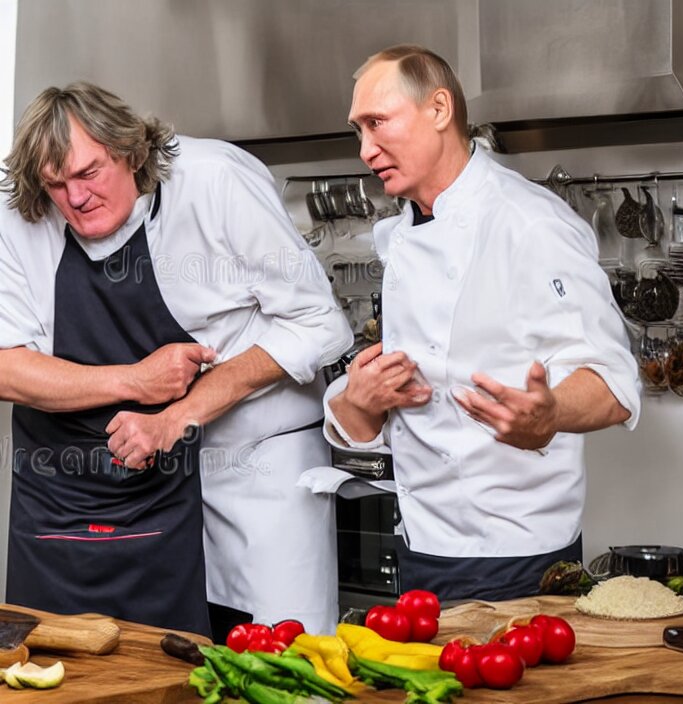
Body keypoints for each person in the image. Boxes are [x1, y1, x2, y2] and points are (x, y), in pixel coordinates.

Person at [0, 82, 353, 637]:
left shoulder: (215, 181)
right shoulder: (26, 215)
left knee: (282, 660)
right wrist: (143, 387)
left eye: (89, 173)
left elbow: (321, 324)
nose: (75, 197)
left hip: (257, 467)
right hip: (157, 488)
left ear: (132, 152)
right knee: (188, 662)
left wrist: (176, 414)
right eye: (56, 185)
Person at [324, 45, 641, 602]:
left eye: (377, 123)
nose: (365, 150)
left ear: (439, 109)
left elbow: (613, 382)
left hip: (513, 551)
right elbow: (402, 403)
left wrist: (549, 415)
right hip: (419, 540)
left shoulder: (529, 223)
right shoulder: (400, 233)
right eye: (358, 131)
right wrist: (362, 399)